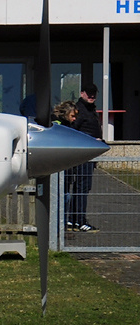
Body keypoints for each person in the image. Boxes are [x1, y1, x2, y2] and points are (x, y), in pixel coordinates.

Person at [66, 84, 102, 232]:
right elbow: (74, 131)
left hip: (88, 153)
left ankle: (74, 220)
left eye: (94, 94)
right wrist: (91, 141)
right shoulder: (80, 110)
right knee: (82, 186)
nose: (92, 96)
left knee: (82, 187)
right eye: (89, 93)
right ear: (82, 93)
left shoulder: (91, 110)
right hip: (82, 154)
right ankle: (79, 221)